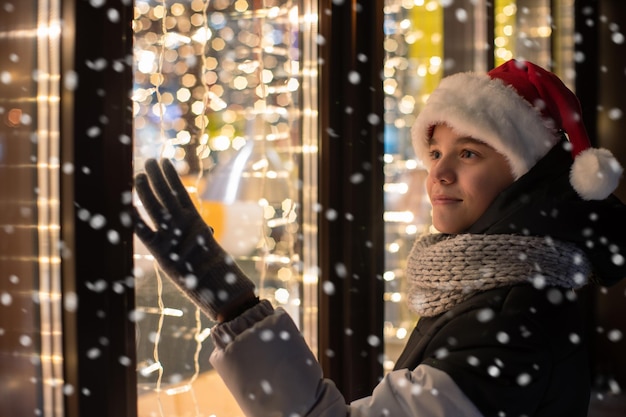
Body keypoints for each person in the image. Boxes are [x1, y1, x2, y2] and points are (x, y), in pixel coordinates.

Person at [134, 59, 626, 417]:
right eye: (435, 152)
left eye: (470, 154)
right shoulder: (514, 285)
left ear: (527, 174)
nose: (440, 173)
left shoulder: (511, 316)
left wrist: (236, 307)